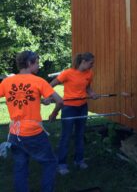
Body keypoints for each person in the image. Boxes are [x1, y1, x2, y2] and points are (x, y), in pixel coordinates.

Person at [0, 50, 63, 192]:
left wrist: (39, 100)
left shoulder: (6, 82)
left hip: (14, 133)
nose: (39, 66)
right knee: (50, 162)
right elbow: (60, 101)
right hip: (33, 133)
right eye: (37, 63)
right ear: (29, 63)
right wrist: (54, 113)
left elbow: (22, 97)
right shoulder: (39, 81)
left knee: (20, 166)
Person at [50, 52, 97, 175]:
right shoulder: (67, 73)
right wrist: (51, 97)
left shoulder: (89, 73)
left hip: (82, 107)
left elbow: (87, 88)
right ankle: (61, 164)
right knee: (66, 136)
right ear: (83, 62)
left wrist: (91, 93)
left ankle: (79, 160)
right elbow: (50, 85)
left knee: (80, 134)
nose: (92, 65)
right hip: (69, 108)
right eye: (91, 63)